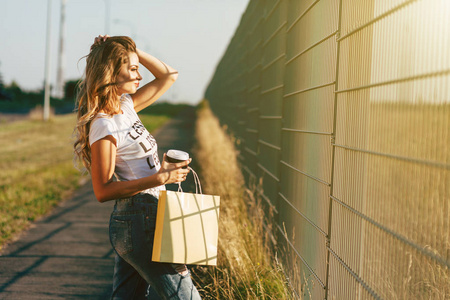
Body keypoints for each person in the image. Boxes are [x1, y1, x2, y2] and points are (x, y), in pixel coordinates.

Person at [73, 35, 202, 300]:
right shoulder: (103, 125)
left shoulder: (126, 106)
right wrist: (159, 178)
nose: (140, 75)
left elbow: (169, 75)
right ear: (111, 71)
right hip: (138, 221)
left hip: (147, 216)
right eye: (132, 69)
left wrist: (132, 51)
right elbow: (103, 190)